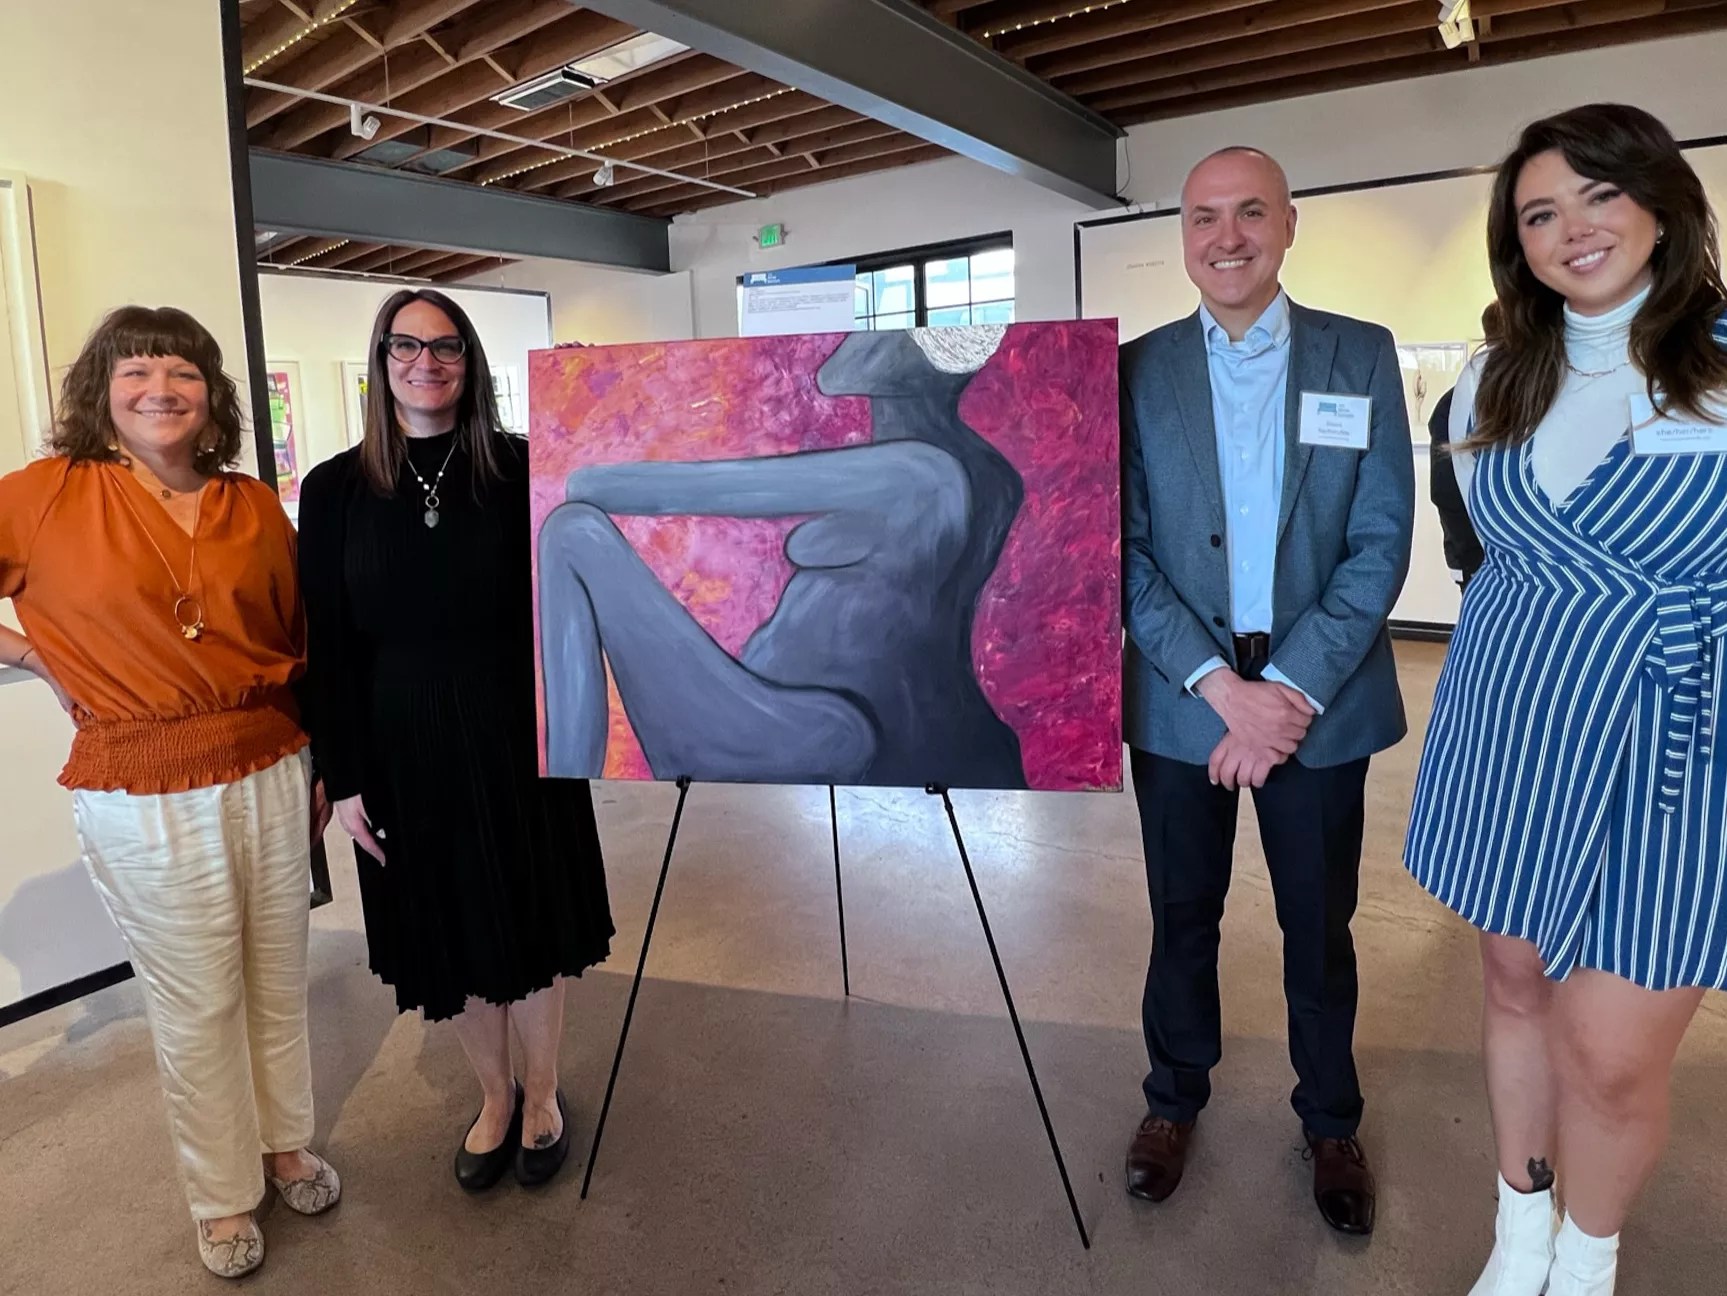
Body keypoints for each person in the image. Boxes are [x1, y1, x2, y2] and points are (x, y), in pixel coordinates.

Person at [1406, 104, 1727, 1296]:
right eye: (1539, 213)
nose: (1572, 229)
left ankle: (1583, 1266)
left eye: (1598, 194)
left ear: (1660, 204)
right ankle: (1520, 1235)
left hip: (1679, 739)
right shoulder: (1490, 379)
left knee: (1609, 1049)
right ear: (1517, 245)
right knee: (1512, 987)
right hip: (1512, 718)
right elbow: (1481, 553)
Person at [0, 306, 339, 1278]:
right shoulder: (45, 495)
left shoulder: (249, 503)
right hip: (142, 785)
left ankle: (285, 1145)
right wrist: (35, 656)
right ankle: (222, 1195)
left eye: (183, 372)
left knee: (277, 978)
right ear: (100, 389)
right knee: (196, 1000)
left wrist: (320, 763)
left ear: (210, 393)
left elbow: (297, 638)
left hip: (271, 763)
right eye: (138, 371)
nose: (161, 389)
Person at [1118, 146, 1415, 1235]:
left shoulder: (1358, 354)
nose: (1227, 237)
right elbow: (1117, 550)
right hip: (1178, 701)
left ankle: (1329, 1120)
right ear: (1182, 236)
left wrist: (1283, 688)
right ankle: (1171, 1100)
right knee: (1179, 916)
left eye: (1250, 212)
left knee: (1318, 925)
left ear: (1289, 224)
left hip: (1316, 702)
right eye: (1204, 217)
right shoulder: (1133, 370)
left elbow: (1380, 541)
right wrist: (1215, 683)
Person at [297, 289, 613, 1194]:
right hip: (403, 743)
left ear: (470, 363)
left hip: (520, 729)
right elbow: (328, 646)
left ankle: (543, 1093)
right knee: (453, 925)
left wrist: (596, 400)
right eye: (405, 346)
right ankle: (495, 1096)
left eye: (445, 347)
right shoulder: (333, 489)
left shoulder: (525, 466)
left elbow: (596, 559)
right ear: (380, 361)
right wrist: (343, 776)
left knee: (532, 917)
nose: (424, 363)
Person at [538, 326, 1027, 789]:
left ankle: (565, 801)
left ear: (893, 359)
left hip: (809, 734)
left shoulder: (917, 477)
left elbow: (611, 487)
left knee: (570, 532)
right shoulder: (994, 479)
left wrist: (576, 454)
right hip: (850, 728)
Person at [1428, 303, 1502, 590]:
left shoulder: (1454, 401)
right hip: (1479, 556)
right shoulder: (1460, 401)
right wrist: (1468, 556)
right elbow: (1447, 489)